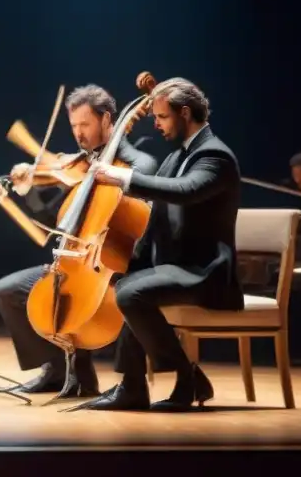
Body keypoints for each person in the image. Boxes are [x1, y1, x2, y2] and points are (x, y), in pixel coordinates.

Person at [76, 77, 242, 411]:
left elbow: (185, 192)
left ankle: (185, 375)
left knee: (131, 293)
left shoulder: (214, 156)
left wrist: (122, 176)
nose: (156, 123)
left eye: (162, 117)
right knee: (125, 283)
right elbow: (156, 218)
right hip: (180, 266)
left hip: (206, 273)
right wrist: (131, 260)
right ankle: (134, 388)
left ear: (184, 113)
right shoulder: (179, 155)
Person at [0, 84, 159, 398]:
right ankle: (56, 371)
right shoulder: (83, 164)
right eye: (73, 126)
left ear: (108, 120)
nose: (78, 134)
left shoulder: (135, 162)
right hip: (77, 261)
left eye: (85, 125)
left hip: (117, 269)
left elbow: (145, 194)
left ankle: (94, 379)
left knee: (76, 304)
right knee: (7, 290)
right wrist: (31, 187)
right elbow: (64, 219)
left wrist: (106, 177)